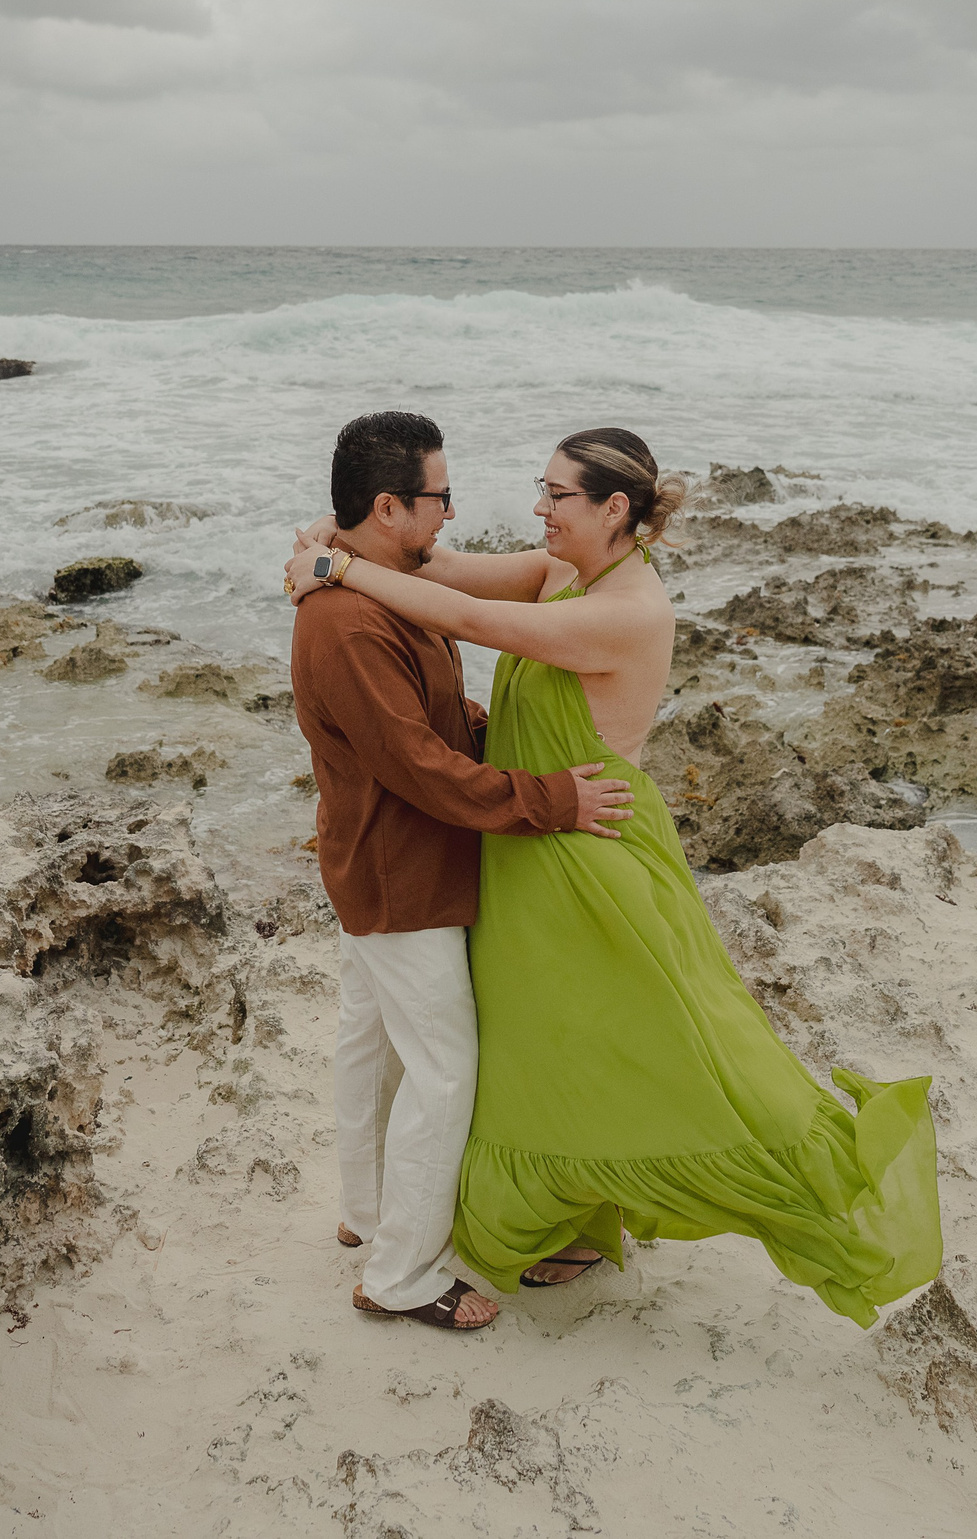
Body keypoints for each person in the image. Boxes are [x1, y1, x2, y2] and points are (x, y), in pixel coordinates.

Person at [285, 428, 941, 1326]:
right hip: (523, 843)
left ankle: (798, 1189)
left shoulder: (626, 608)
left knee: (624, 1046)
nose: (538, 509)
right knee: (547, 1048)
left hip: (584, 856)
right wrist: (329, 543)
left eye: (556, 495)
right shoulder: (563, 570)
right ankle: (510, 1222)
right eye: (539, 489)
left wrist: (338, 565)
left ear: (614, 508)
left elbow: (466, 617)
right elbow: (437, 566)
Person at [289, 411, 638, 1333]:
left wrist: (330, 551)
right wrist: (551, 799)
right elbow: (423, 768)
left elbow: (438, 717)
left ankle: (369, 1215)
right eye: (440, 497)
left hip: (374, 860)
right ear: (390, 505)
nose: (451, 513)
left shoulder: (385, 589)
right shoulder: (350, 623)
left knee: (371, 1046)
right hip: (400, 874)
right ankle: (400, 1273)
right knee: (444, 1068)